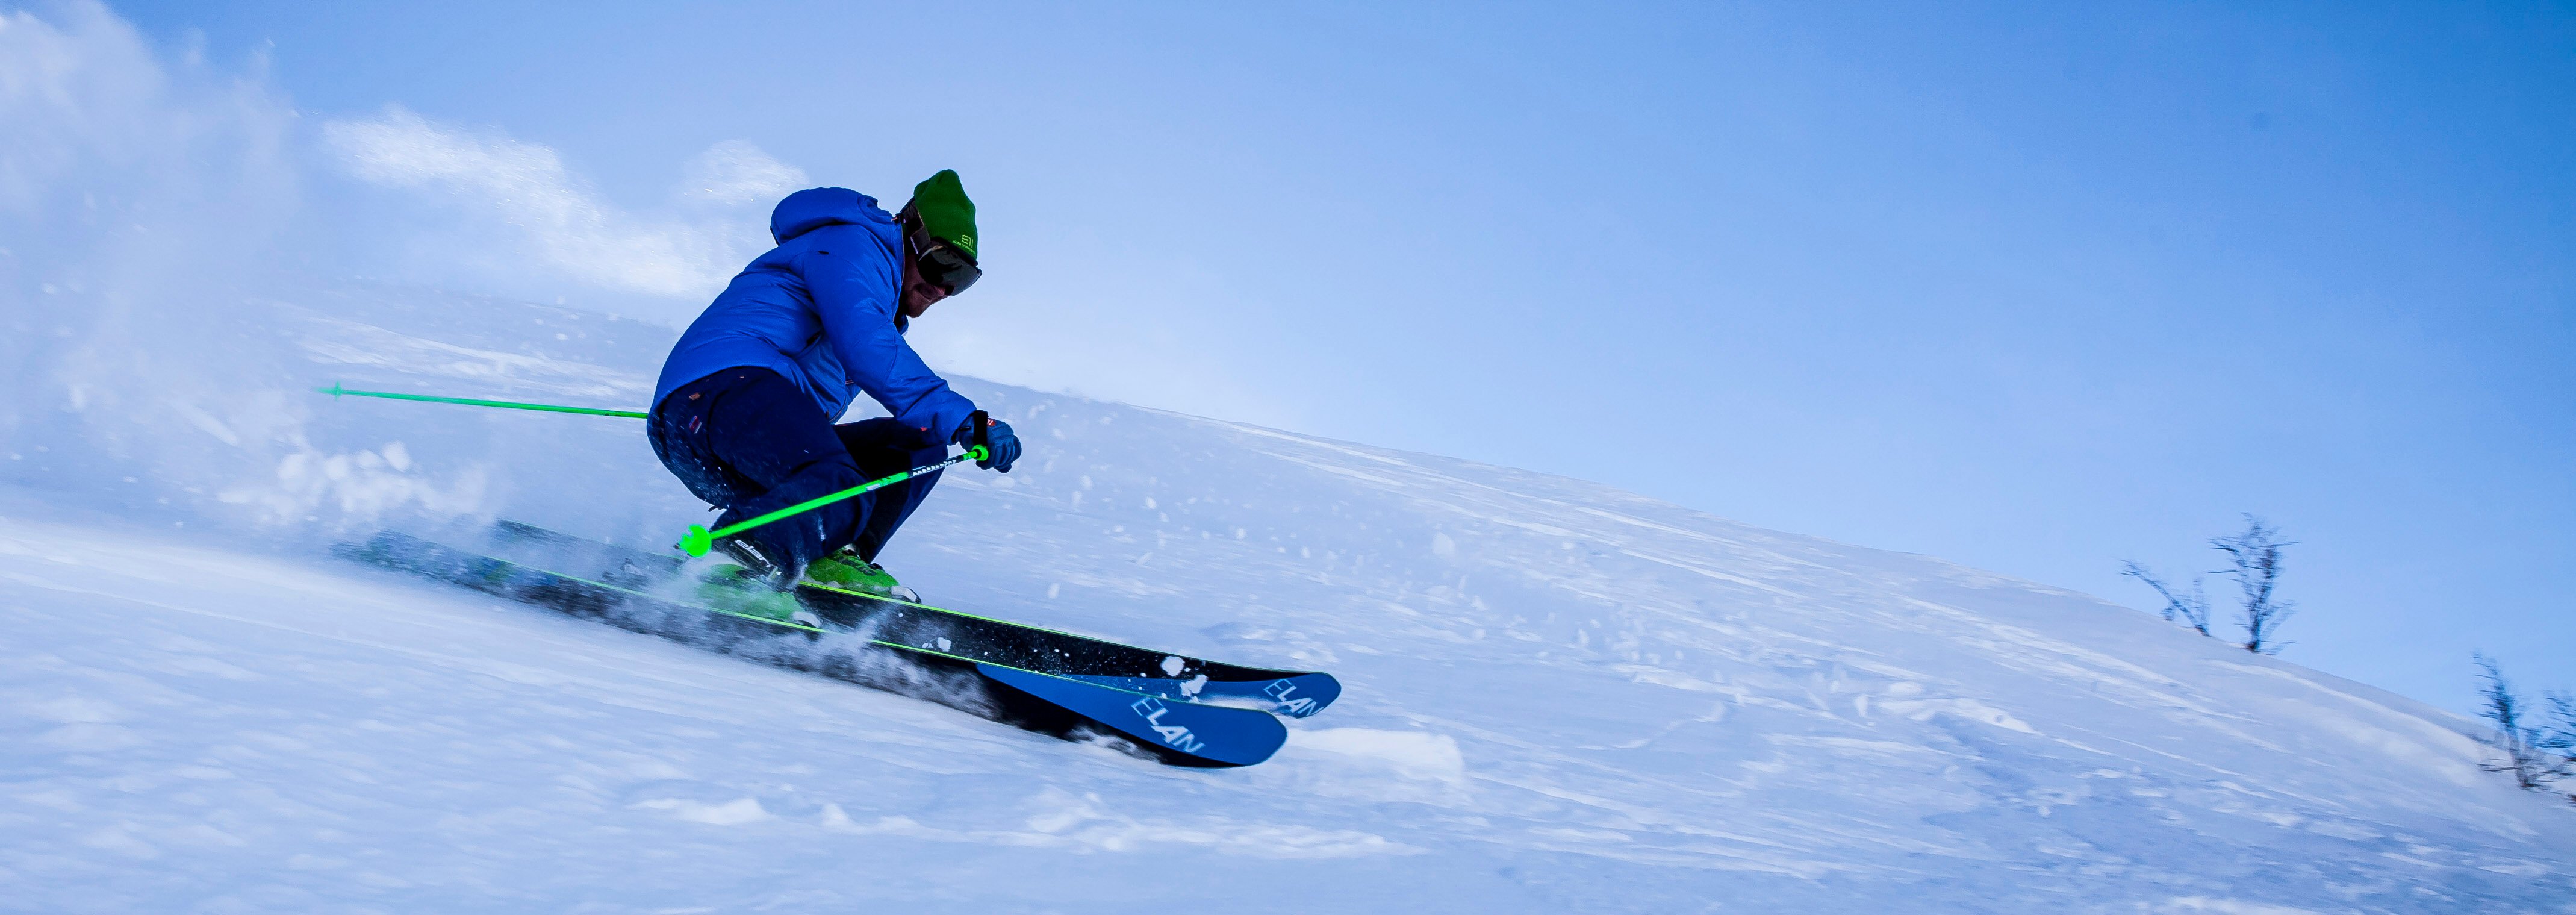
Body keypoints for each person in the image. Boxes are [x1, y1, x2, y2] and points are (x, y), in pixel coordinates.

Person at [647, 171, 1021, 619]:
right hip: (714, 397)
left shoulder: (881, 299)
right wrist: (965, 418)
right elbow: (867, 345)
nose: (943, 288)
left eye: (962, 278)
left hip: (740, 424)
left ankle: (828, 558)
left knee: (914, 447)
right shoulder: (854, 247)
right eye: (943, 263)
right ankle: (735, 556)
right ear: (910, 232)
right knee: (839, 484)